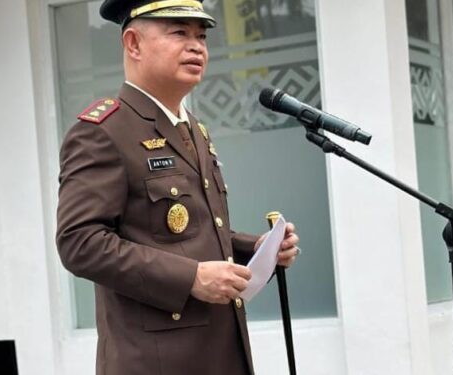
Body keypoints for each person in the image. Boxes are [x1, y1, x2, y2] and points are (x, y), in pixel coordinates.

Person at [55, 1, 300, 374]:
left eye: (201, 35)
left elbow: (192, 231)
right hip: (157, 360)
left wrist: (258, 249)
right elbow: (79, 242)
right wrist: (191, 278)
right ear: (133, 43)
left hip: (220, 352)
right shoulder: (103, 131)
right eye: (179, 33)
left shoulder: (194, 130)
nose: (197, 46)